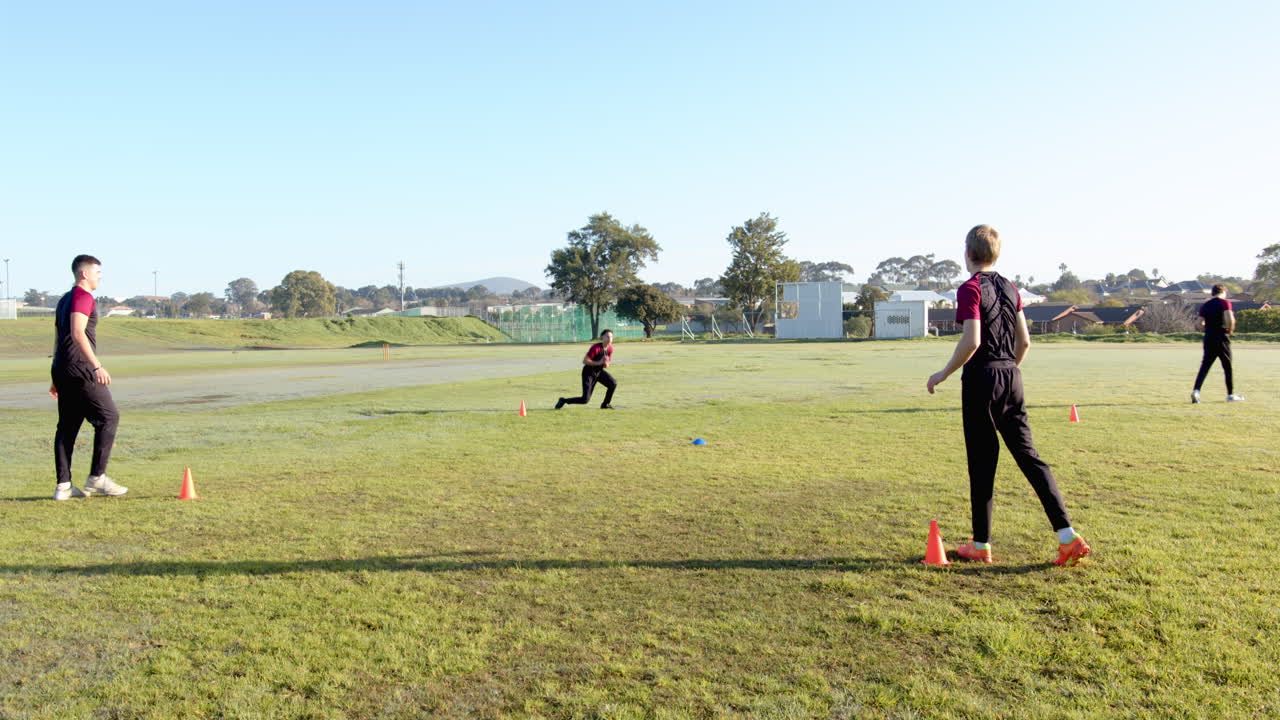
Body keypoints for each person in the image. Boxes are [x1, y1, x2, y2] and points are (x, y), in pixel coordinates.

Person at [926, 225, 1089, 566]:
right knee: (1030, 457)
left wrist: (942, 374)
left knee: (983, 461)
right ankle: (1067, 536)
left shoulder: (970, 288)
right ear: (996, 253)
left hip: (981, 378)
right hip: (1012, 375)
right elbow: (1025, 341)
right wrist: (1008, 371)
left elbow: (971, 341)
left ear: (967, 253)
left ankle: (982, 544)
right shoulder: (1010, 287)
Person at [50, 255, 127, 500]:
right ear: (84, 274)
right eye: (98, 272)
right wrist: (96, 366)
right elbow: (76, 332)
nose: (100, 277)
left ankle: (64, 486)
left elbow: (58, 337)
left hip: (63, 368)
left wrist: (55, 372)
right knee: (109, 417)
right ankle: (97, 478)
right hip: (82, 368)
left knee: (68, 426)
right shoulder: (83, 297)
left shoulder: (64, 300)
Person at [1192, 284, 1242, 403]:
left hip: (1208, 337)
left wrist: (1208, 330)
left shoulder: (1205, 305)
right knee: (1227, 366)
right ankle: (1230, 394)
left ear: (1212, 293)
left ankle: (1196, 391)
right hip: (1221, 336)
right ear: (1224, 292)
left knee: (1205, 366)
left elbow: (1198, 324)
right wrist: (1230, 330)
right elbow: (1229, 319)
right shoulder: (1225, 303)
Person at [555, 330, 617, 410]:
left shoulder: (610, 349)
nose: (610, 338)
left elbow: (606, 365)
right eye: (607, 336)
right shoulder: (596, 348)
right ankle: (563, 400)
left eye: (611, 337)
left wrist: (605, 363)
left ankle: (605, 404)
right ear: (602, 337)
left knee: (613, 383)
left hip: (599, 372)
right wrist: (599, 362)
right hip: (588, 373)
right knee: (585, 400)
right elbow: (585, 361)